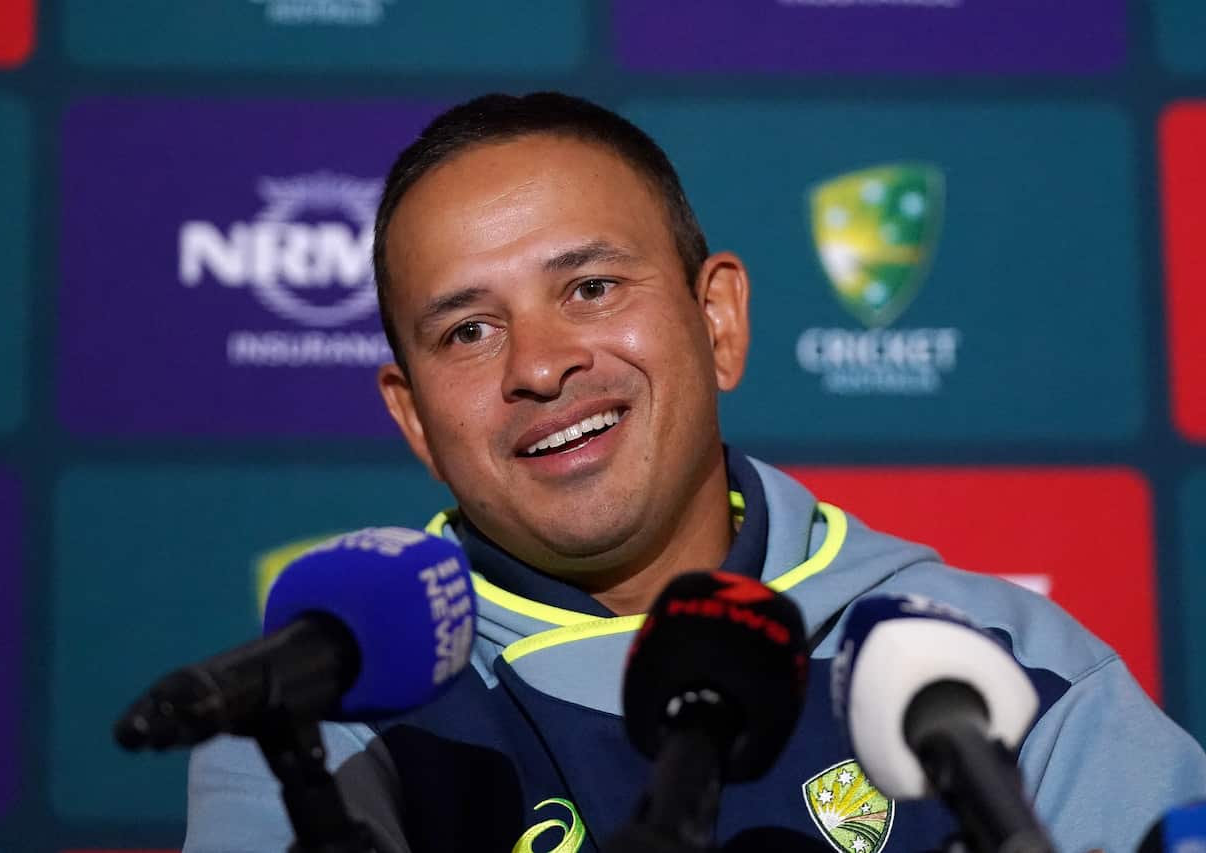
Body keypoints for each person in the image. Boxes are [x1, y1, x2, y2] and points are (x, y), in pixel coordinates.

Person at [184, 92, 1206, 853]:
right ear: (413, 417)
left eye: (590, 288)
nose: (539, 365)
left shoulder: (1003, 668)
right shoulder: (325, 715)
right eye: (468, 331)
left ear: (716, 321)